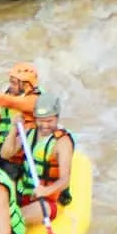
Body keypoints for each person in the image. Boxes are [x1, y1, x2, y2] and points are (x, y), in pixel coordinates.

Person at [17, 94, 75, 226]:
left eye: (49, 121)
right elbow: (5, 153)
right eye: (40, 120)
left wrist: (46, 191)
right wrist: (14, 129)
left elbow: (65, 180)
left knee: (11, 220)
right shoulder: (30, 133)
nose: (44, 125)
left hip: (48, 201)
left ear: (57, 117)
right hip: (24, 193)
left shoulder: (62, 142)